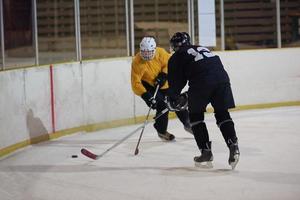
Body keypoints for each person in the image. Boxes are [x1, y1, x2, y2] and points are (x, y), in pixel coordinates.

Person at [166, 32, 240, 169]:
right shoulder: (201, 48)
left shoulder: (176, 57)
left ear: (174, 46)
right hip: (222, 79)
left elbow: (176, 83)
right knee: (222, 113)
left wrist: (173, 98)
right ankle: (233, 146)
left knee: (195, 116)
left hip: (202, 82)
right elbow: (207, 68)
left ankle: (206, 152)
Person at [131, 36, 192, 141]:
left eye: (149, 52)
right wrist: (146, 96)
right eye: (144, 53)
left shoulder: (160, 52)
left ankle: (188, 123)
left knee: (176, 100)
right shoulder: (137, 61)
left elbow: (170, 63)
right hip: (149, 86)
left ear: (154, 49)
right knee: (162, 105)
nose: (146, 55)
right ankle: (161, 130)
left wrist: (164, 74)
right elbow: (135, 83)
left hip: (165, 82)